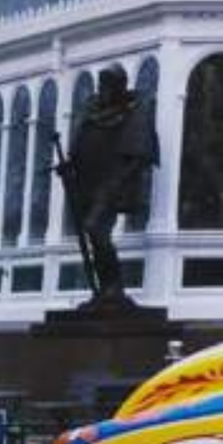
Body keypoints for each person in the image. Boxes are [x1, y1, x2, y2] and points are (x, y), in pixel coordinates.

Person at [61, 63, 158, 305]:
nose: (102, 90)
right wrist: (69, 165)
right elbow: (78, 145)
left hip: (112, 183)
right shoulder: (92, 112)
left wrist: (119, 183)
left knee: (95, 229)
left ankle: (114, 287)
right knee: (94, 235)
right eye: (100, 84)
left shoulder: (134, 111)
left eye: (107, 85)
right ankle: (106, 289)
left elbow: (140, 154)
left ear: (119, 87)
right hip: (87, 182)